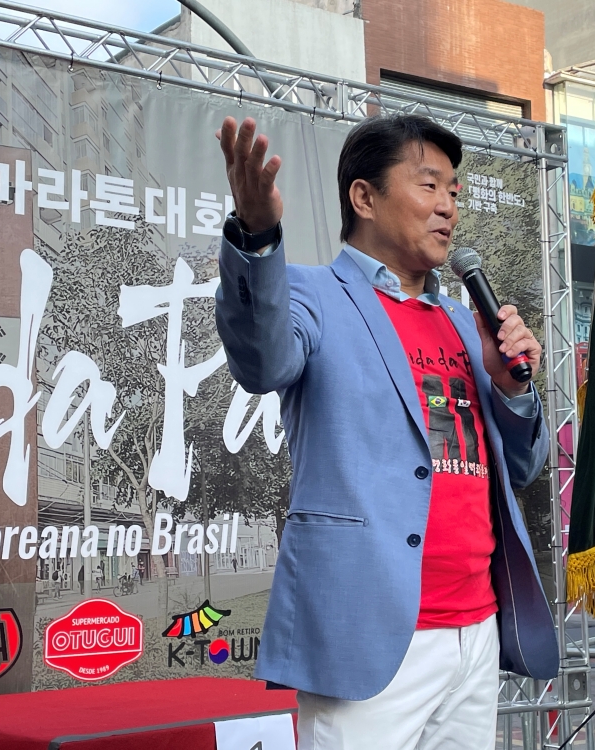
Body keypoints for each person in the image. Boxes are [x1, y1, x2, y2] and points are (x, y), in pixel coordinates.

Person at [214, 114, 558, 749]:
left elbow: (520, 469)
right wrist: (257, 237)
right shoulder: (311, 293)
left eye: (453, 191)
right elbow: (261, 361)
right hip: (367, 630)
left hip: (476, 626)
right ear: (364, 197)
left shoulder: (465, 322)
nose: (448, 207)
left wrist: (511, 389)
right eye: (428, 185)